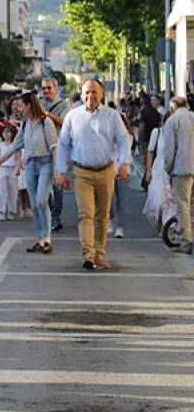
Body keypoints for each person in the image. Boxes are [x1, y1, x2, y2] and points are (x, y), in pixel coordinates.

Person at [55, 78, 131, 269]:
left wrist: (124, 163)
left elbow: (123, 140)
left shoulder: (112, 116)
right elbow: (63, 145)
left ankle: (100, 253)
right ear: (81, 94)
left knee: (102, 216)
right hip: (82, 172)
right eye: (87, 92)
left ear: (101, 94)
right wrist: (61, 171)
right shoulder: (72, 117)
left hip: (106, 171)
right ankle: (88, 254)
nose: (91, 96)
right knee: (85, 214)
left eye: (94, 92)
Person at [0, 92, 58, 253]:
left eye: (21, 105)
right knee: (35, 204)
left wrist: (57, 170)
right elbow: (15, 146)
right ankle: (41, 238)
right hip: (30, 165)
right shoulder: (25, 124)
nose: (19, 109)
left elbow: (54, 147)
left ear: (29, 105)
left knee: (42, 201)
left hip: (45, 164)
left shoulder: (45, 122)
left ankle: (47, 239)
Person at [162, 95, 194, 254]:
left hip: (182, 169)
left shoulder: (172, 121)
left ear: (172, 108)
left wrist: (168, 169)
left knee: (183, 206)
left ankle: (186, 242)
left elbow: (169, 151)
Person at [40, 77, 71, 232]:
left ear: (55, 88)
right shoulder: (39, 103)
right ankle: (47, 215)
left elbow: (64, 122)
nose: (46, 91)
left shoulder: (63, 105)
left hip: (57, 150)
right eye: (44, 88)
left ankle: (56, 217)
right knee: (44, 186)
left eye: (49, 88)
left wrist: (46, 114)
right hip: (41, 149)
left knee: (57, 186)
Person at [0, 121, 19, 220]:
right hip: (2, 168)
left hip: (13, 168)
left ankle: (12, 210)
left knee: (13, 190)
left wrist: (18, 166)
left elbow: (19, 156)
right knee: (1, 190)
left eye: (8, 132)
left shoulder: (15, 145)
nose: (6, 134)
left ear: (12, 134)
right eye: (4, 132)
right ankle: (1, 211)